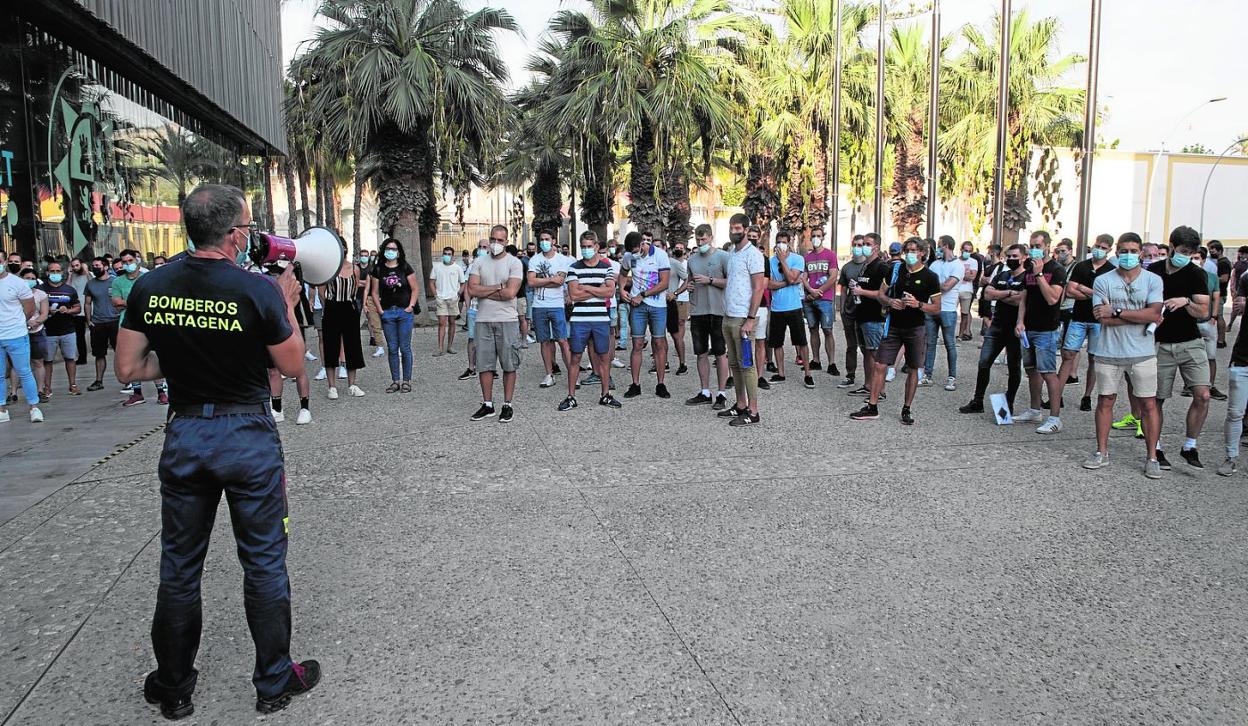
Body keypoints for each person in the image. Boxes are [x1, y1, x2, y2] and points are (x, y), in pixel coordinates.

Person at [115, 184, 319, 718]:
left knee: (180, 566)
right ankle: (274, 681)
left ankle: (174, 686)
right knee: (265, 563)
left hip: (186, 434)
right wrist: (288, 304)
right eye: (248, 226)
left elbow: (131, 369)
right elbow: (294, 365)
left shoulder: (150, 285)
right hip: (246, 434)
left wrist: (182, 360)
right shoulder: (256, 291)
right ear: (233, 235)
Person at [1083, 234, 1164, 478]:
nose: (1129, 255)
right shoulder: (1103, 281)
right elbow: (1101, 318)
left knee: (1148, 404)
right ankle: (1101, 452)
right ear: (1117, 252)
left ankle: (1151, 456)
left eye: (1133, 250)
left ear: (1140, 253)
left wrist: (1117, 310)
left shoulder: (1153, 280)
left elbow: (1154, 315)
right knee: (1105, 401)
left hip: (1142, 353)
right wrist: (1138, 314)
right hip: (1108, 353)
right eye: (1124, 250)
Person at [850, 238, 940, 425]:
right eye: (907, 250)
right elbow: (881, 294)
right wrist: (891, 302)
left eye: (913, 250)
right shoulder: (895, 270)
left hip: (916, 328)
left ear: (922, 253)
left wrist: (919, 304)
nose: (909, 254)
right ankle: (872, 405)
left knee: (914, 368)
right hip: (893, 326)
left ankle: (907, 408)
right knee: (880, 364)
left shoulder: (930, 277)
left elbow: (937, 307)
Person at [1146, 226, 1211, 469]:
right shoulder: (1153, 271)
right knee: (1156, 399)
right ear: (1171, 247)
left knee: (1203, 394)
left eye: (1191, 252)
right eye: (1183, 250)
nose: (1186, 255)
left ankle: (1190, 445)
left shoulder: (1196, 274)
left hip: (1190, 342)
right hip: (1159, 344)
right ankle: (1157, 448)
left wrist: (1186, 302)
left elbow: (1204, 311)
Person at [959, 244, 1028, 416]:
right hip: (997, 326)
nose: (1011, 259)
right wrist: (1009, 293)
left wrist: (1001, 294)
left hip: (1015, 329)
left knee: (1013, 366)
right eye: (1009, 256)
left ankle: (1009, 402)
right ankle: (977, 400)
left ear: (1024, 257)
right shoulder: (1002, 275)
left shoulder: (1028, 277)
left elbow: (1021, 300)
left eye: (1015, 256)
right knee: (984, 363)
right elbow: (988, 294)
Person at [1011, 232, 1067, 434]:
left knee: (1048, 372)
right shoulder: (1028, 269)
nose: (1033, 248)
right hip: (1029, 329)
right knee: (1032, 371)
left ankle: (1054, 417)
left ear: (1047, 246)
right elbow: (1024, 298)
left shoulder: (1056, 270)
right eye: (1031, 245)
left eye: (1037, 245)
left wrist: (1040, 274)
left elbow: (1053, 298)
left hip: (1047, 329)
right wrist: (1020, 321)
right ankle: (1035, 410)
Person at [466, 225, 524, 422]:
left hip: (507, 320)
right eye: (493, 239)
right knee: (485, 365)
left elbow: (510, 293)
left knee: (509, 363)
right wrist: (499, 286)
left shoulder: (514, 263)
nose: (496, 244)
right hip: (483, 319)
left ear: (506, 241)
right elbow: (472, 290)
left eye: (500, 240)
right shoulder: (479, 262)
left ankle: (507, 404)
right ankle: (488, 404)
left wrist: (485, 290)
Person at [561, 231, 621, 410]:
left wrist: (585, 286)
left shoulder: (607, 267)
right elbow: (574, 295)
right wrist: (597, 288)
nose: (586, 250)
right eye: (583, 247)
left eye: (589, 246)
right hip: (579, 319)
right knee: (575, 357)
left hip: (601, 319)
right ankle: (571, 396)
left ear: (596, 246)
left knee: (604, 357)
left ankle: (605, 395)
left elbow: (609, 292)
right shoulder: (573, 267)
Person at [1056, 233, 1116, 412]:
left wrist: (1084, 289)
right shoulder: (1082, 266)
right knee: (1068, 354)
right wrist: (1095, 293)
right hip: (1079, 318)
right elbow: (1070, 291)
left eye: (1104, 248)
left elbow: (1109, 299)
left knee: (1094, 359)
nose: (1100, 250)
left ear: (1109, 250)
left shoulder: (1111, 270)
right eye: (1098, 246)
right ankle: (1056, 394)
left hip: (1099, 320)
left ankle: (1087, 396)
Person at [719, 213, 765, 426]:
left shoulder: (753, 255)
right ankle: (740, 404)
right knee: (735, 364)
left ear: (746, 230)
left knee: (747, 364)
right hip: (729, 316)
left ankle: (753, 412)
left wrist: (750, 318)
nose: (734, 231)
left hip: (743, 318)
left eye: (738, 228)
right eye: (732, 228)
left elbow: (758, 288)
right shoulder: (732, 253)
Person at [112, 249, 169, 406]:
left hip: (151, 323)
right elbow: (116, 302)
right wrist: (139, 302)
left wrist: (128, 302)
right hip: (128, 325)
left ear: (137, 260)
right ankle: (137, 393)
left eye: (130, 261)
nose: (127, 265)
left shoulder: (148, 278)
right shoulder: (118, 282)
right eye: (124, 262)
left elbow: (157, 299)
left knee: (155, 356)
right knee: (132, 358)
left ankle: (162, 392)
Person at [685, 224, 731, 409]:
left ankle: (721, 393)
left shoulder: (723, 257)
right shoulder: (692, 259)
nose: (700, 242)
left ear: (711, 238)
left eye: (703, 239)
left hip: (718, 311)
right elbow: (689, 281)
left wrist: (710, 280)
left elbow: (731, 281)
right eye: (698, 239)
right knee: (701, 352)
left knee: (720, 353)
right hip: (698, 311)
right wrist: (688, 287)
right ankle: (705, 391)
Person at [624, 231, 671, 399]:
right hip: (638, 307)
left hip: (657, 306)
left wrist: (642, 295)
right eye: (633, 252)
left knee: (658, 343)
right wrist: (622, 290)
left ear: (644, 243)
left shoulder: (660, 255)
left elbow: (664, 283)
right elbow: (622, 275)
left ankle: (661, 384)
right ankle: (635, 384)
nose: (636, 254)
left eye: (638, 250)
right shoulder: (629, 256)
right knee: (637, 343)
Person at [370, 238, 420, 393]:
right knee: (392, 348)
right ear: (384, 250)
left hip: (404, 312)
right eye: (388, 248)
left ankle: (406, 380)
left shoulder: (405, 267)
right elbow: (374, 292)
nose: (391, 251)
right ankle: (395, 381)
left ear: (398, 251)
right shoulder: (378, 269)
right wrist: (380, 311)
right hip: (387, 313)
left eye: (394, 248)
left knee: (405, 347)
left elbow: (415, 288)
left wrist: (411, 306)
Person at [528, 229, 574, 389]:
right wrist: (551, 279)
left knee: (562, 340)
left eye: (547, 239)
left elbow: (560, 281)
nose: (544, 242)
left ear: (554, 241)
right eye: (541, 239)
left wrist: (542, 279)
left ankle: (572, 375)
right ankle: (549, 374)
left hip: (556, 305)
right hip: (539, 306)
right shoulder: (534, 259)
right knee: (544, 341)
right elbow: (531, 282)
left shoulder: (562, 260)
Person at [317, 249, 366, 400]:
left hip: (349, 308)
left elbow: (355, 287)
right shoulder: (328, 269)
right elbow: (321, 291)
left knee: (353, 345)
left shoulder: (354, 269)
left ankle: (352, 384)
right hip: (332, 307)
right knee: (331, 346)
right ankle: (332, 387)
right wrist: (329, 306)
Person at [766, 231, 812, 387]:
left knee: (801, 341)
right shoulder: (771, 261)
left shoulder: (798, 259)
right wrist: (787, 282)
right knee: (777, 342)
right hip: (777, 307)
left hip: (794, 306)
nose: (780, 245)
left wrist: (783, 261)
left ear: (790, 242)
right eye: (778, 242)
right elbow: (770, 284)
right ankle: (781, 373)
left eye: (784, 242)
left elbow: (794, 277)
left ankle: (807, 373)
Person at [0, 258, 42, 423]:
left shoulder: (17, 283)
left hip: (16, 335)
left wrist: (17, 322)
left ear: (4, 262)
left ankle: (34, 408)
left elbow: (30, 308)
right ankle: (2, 409)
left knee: (24, 371)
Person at [846, 233, 887, 398]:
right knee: (866, 352)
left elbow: (883, 293)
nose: (864, 246)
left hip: (874, 317)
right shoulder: (865, 266)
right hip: (861, 315)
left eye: (867, 244)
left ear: (876, 247)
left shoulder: (881, 267)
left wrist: (861, 291)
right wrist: (856, 287)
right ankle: (868, 385)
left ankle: (880, 391)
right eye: (863, 243)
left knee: (876, 354)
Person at [922, 236, 963, 390]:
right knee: (930, 343)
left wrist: (932, 285)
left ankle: (952, 377)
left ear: (946, 246)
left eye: (939, 246)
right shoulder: (935, 264)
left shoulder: (958, 266)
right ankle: (928, 375)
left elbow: (947, 287)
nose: (937, 249)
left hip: (947, 309)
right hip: (932, 309)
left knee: (949, 344)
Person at [38, 260, 82, 396]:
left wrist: (68, 310)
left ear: (62, 273)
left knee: (70, 358)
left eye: (58, 271)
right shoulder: (41, 290)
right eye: (52, 271)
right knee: (47, 361)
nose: (55, 274)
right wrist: (46, 311)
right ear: (47, 273)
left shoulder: (69, 290)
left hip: (67, 330)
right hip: (47, 331)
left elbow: (78, 307)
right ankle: (47, 388)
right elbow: (34, 309)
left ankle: (73, 385)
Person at [1188, 247, 1226, 401]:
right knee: (1188, 357)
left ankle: (1210, 385)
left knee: (1210, 356)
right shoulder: (1184, 276)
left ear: (1203, 260)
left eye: (1197, 258)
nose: (1194, 261)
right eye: (1192, 258)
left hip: (1206, 321)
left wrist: (1214, 316)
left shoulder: (1211, 277)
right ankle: (1189, 385)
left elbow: (1215, 297)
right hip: (1189, 323)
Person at [802, 228, 839, 376]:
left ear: (823, 237)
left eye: (819, 236)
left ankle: (831, 363)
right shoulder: (807, 257)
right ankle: (816, 360)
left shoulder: (830, 255)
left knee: (828, 330)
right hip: (810, 299)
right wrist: (810, 291)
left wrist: (819, 292)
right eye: (814, 236)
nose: (816, 238)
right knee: (813, 329)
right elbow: (803, 277)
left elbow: (833, 277)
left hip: (825, 299)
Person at [82, 256, 119, 392]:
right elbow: (87, 303)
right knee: (99, 353)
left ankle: (127, 380)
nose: (95, 268)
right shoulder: (91, 284)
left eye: (97, 266)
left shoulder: (116, 281)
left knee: (119, 352)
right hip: (98, 323)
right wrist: (88, 319)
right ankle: (99, 381)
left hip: (115, 321)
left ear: (105, 267)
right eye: (93, 266)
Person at [835, 235, 867, 388]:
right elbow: (843, 288)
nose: (857, 247)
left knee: (867, 347)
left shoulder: (869, 266)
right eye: (855, 244)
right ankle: (850, 374)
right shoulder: (847, 267)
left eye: (860, 245)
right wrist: (841, 309)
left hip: (865, 313)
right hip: (849, 311)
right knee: (851, 345)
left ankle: (870, 380)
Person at [458, 239, 490, 381]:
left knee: (489, 340)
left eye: (485, 247)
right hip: (474, 308)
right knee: (472, 339)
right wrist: (468, 305)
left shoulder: (494, 265)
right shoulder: (472, 266)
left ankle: (489, 368)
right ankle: (471, 368)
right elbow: (466, 288)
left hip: (489, 309)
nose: (482, 249)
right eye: (480, 247)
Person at [19, 268, 49, 402]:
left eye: (32, 278)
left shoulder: (41, 294)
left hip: (37, 330)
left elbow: (44, 313)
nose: (29, 281)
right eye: (26, 278)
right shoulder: (16, 293)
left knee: (38, 361)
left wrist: (35, 322)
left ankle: (40, 390)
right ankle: (14, 392)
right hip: (19, 330)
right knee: (19, 364)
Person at [430, 245, 466, 356]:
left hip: (453, 299)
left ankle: (450, 346)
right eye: (445, 254)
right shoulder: (437, 267)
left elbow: (463, 282)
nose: (446, 256)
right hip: (441, 298)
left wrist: (458, 294)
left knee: (452, 322)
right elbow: (431, 281)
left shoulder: (457, 268)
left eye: (449, 254)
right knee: (441, 323)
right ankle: (440, 348)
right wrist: (436, 295)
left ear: (452, 256)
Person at [665, 241, 691, 376]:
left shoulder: (675, 263)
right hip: (656, 303)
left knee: (676, 334)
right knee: (658, 336)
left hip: (672, 303)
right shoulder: (650, 263)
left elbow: (688, 279)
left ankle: (682, 363)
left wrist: (675, 293)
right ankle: (663, 362)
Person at [68, 257, 90, 367]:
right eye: (73, 266)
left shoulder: (88, 274)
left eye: (77, 265)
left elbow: (93, 283)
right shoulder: (73, 276)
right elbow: (67, 288)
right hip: (78, 310)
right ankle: (82, 357)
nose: (75, 267)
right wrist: (69, 275)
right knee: (79, 335)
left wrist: (86, 272)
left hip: (90, 308)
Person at [1209, 240, 1231, 347]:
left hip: (1220, 293)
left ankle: (1221, 340)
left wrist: (1211, 278)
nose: (1211, 252)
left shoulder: (1223, 263)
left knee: (1219, 316)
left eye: (1212, 250)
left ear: (1219, 250)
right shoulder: (1221, 261)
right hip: (1219, 292)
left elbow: (1224, 278)